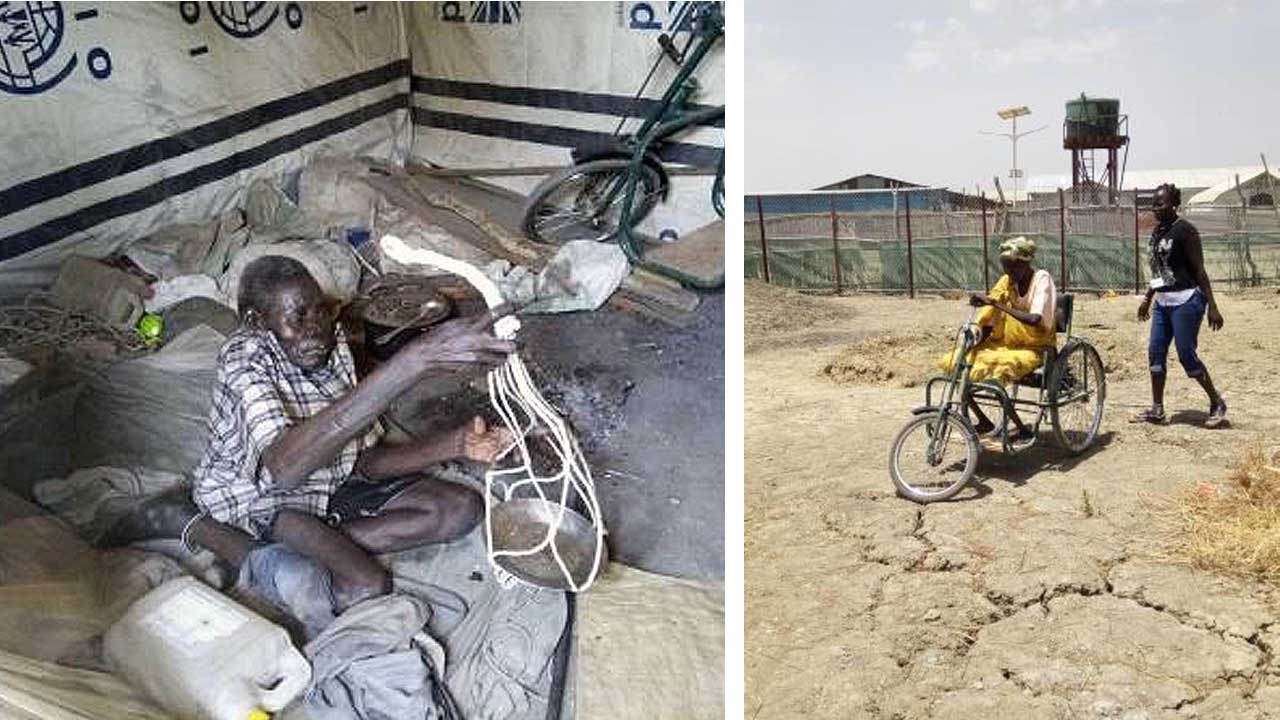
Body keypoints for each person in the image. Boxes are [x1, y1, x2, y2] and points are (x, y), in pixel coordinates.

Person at [107, 256, 516, 612]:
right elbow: (285, 470)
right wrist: (413, 363)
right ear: (256, 322)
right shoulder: (245, 358)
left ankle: (307, 549)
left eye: (320, 311)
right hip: (266, 500)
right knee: (366, 585)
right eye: (297, 317)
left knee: (461, 509)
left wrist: (457, 443)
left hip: (332, 484)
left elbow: (364, 459)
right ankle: (202, 526)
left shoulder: (331, 342)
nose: (315, 330)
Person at [938, 236, 1057, 440]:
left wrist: (997, 305)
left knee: (996, 378)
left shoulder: (1042, 279)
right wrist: (974, 339)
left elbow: (1035, 319)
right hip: (1004, 343)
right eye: (1005, 267)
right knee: (958, 367)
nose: (1008, 272)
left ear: (1025, 263)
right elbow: (989, 317)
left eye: (1012, 267)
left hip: (1035, 346)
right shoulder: (1007, 281)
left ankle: (1021, 428)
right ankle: (984, 421)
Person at [1131, 182, 1226, 427]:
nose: (1156, 208)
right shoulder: (1157, 232)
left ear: (1174, 205)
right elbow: (1159, 271)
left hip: (1187, 300)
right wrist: (1147, 299)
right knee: (1155, 352)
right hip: (1163, 302)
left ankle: (1216, 402)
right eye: (1154, 204)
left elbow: (1200, 270)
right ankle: (1157, 409)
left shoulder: (1186, 231)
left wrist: (1212, 306)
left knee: (1186, 355)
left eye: (1160, 204)